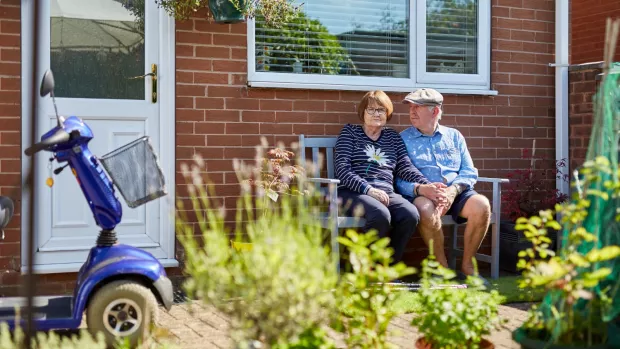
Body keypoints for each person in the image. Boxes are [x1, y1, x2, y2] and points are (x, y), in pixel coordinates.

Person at [395, 88, 492, 280]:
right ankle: (442, 268)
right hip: (423, 194)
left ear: (435, 111)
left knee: (482, 206)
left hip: (456, 192)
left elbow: (469, 171)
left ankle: (467, 266)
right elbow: (398, 179)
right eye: (410, 107)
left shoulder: (454, 136)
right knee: (423, 208)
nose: (412, 112)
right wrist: (422, 189)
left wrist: (453, 191)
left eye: (418, 107)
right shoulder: (402, 139)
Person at [334, 90, 433, 264]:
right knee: (380, 214)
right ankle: (365, 267)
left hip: (386, 192)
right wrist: (368, 189)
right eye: (371, 109)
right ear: (362, 112)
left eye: (381, 110)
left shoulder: (392, 137)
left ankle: (388, 267)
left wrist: (427, 185)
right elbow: (342, 170)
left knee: (410, 215)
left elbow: (405, 167)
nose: (376, 114)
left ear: (387, 114)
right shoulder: (350, 133)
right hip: (353, 192)